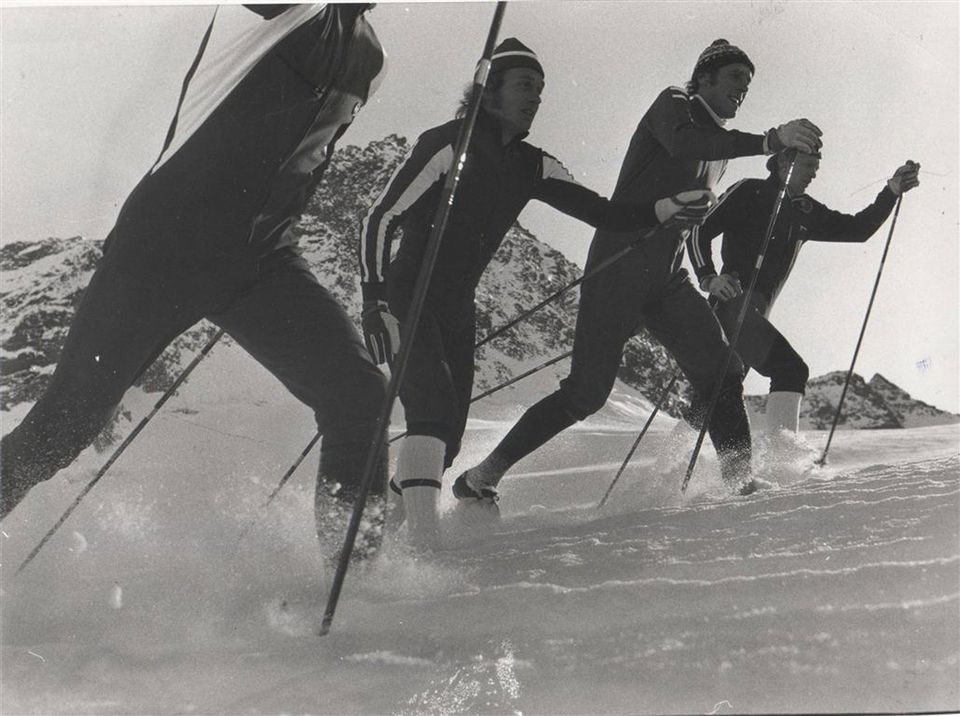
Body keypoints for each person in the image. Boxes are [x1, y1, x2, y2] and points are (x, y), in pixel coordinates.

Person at [1, 4, 389, 557]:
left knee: (360, 397)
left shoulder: (370, 58)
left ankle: (352, 578)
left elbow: (312, 159)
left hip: (260, 259)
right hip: (163, 245)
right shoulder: (294, 8)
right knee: (60, 430)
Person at [359, 38, 714, 548]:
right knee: (431, 414)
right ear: (488, 88)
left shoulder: (532, 164)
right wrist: (374, 301)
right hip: (406, 295)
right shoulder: (447, 143)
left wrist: (662, 208)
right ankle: (422, 556)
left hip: (456, 306)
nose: (537, 97)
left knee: (448, 441)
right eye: (526, 85)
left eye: (542, 89)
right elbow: (381, 217)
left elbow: (603, 214)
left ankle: (376, 540)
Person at [454, 39, 824, 504]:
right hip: (620, 265)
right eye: (734, 79)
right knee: (586, 395)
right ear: (704, 78)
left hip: (667, 277)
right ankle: (482, 475)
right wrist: (769, 140)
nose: (742, 90)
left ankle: (739, 482)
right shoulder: (675, 103)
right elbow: (686, 141)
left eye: (748, 84)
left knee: (722, 369)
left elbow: (693, 218)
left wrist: (704, 272)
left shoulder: (722, 150)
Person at [687, 150, 920, 450]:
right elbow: (698, 230)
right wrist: (709, 277)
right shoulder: (750, 190)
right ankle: (782, 464)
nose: (814, 173)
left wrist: (891, 191)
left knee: (714, 398)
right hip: (731, 306)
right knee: (790, 370)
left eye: (817, 167)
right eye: (809, 165)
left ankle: (667, 469)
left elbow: (858, 229)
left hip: (754, 314)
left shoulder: (804, 210)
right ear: (785, 163)